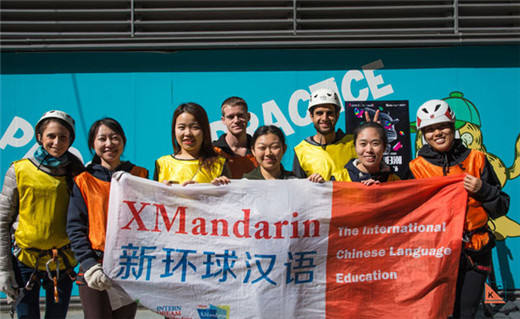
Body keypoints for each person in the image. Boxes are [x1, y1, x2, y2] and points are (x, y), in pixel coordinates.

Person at [408, 99, 509, 319]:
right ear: (423, 134)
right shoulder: (415, 169)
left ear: (453, 127)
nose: (438, 133)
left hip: (475, 250)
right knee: (438, 313)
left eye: (443, 126)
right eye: (430, 129)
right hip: (436, 255)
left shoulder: (477, 159)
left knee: (465, 313)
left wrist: (483, 189)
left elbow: (500, 207)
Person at [0, 110, 84, 319]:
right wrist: (4, 270)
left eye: (63, 137)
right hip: (25, 261)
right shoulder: (19, 170)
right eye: (51, 136)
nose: (57, 142)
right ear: (40, 137)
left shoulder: (77, 173)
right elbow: (3, 221)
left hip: (63, 264)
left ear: (70, 140)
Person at [66, 118, 148, 319]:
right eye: (102, 139)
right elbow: (75, 227)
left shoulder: (140, 175)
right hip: (95, 267)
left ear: (123, 141)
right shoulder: (83, 180)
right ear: (93, 144)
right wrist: (89, 265)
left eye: (114, 138)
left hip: (128, 268)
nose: (109, 144)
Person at [292, 88, 378, 181]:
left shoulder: (354, 143)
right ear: (311, 116)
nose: (324, 118)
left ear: (337, 115)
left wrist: (374, 133)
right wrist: (308, 183)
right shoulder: (301, 151)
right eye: (319, 113)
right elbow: (297, 190)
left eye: (329, 113)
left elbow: (375, 169)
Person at [212, 125, 324, 184]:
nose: (268, 153)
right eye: (262, 148)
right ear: (253, 151)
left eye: (275, 147)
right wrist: (220, 190)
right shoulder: (245, 184)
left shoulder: (296, 183)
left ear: (284, 149)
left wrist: (316, 186)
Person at [154, 102, 231, 185]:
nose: (187, 133)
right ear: (174, 130)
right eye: (181, 127)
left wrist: (222, 189)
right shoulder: (162, 164)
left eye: (195, 127)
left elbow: (232, 196)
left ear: (204, 131)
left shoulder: (219, 164)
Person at [331, 122, 400, 185]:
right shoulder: (339, 179)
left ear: (384, 147)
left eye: (375, 144)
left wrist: (381, 191)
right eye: (363, 144)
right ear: (355, 147)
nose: (369, 150)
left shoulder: (394, 181)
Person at [213, 97, 257, 178]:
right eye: (230, 117)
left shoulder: (259, 149)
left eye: (240, 115)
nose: (236, 121)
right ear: (223, 120)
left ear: (248, 117)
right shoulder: (213, 151)